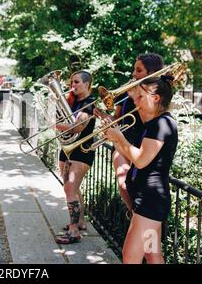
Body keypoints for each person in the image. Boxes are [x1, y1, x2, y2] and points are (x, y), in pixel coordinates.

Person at [104, 74, 178, 264]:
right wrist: (114, 138)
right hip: (146, 199)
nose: (134, 100)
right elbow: (132, 154)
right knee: (152, 255)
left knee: (130, 257)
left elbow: (141, 160)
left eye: (139, 96)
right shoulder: (151, 125)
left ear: (155, 98)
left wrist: (119, 137)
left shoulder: (161, 124)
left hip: (150, 203)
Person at [95, 53, 164, 216]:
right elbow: (118, 119)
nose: (133, 74)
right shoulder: (127, 93)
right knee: (123, 183)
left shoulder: (155, 96)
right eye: (134, 69)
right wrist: (104, 117)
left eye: (138, 70)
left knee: (135, 185)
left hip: (143, 147)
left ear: (151, 72)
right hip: (122, 142)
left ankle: (140, 217)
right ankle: (134, 213)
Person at [54, 71, 96, 244]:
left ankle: (73, 232)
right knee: (70, 186)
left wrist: (55, 124)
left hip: (81, 150)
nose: (73, 85)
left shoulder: (89, 103)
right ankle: (79, 222)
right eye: (72, 81)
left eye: (77, 82)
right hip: (67, 148)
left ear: (87, 84)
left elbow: (77, 127)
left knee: (70, 188)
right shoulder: (72, 101)